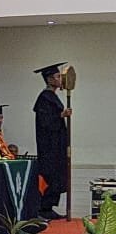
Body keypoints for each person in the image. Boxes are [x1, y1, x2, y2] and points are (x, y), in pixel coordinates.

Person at [33, 62, 71, 220]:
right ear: (49, 79)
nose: (60, 79)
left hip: (58, 144)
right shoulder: (44, 98)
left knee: (59, 175)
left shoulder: (53, 96)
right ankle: (44, 208)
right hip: (49, 146)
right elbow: (45, 122)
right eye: (57, 76)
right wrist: (60, 115)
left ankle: (49, 207)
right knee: (51, 176)